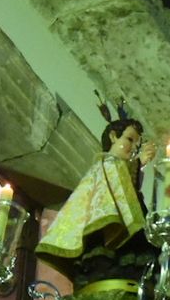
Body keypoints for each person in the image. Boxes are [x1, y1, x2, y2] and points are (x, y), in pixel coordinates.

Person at [35, 116, 160, 287]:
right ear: (113, 136)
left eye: (136, 146)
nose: (133, 149)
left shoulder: (120, 167)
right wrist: (139, 163)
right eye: (129, 139)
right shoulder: (106, 163)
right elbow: (117, 180)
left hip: (125, 219)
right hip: (104, 224)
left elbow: (126, 188)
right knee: (106, 255)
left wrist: (139, 165)